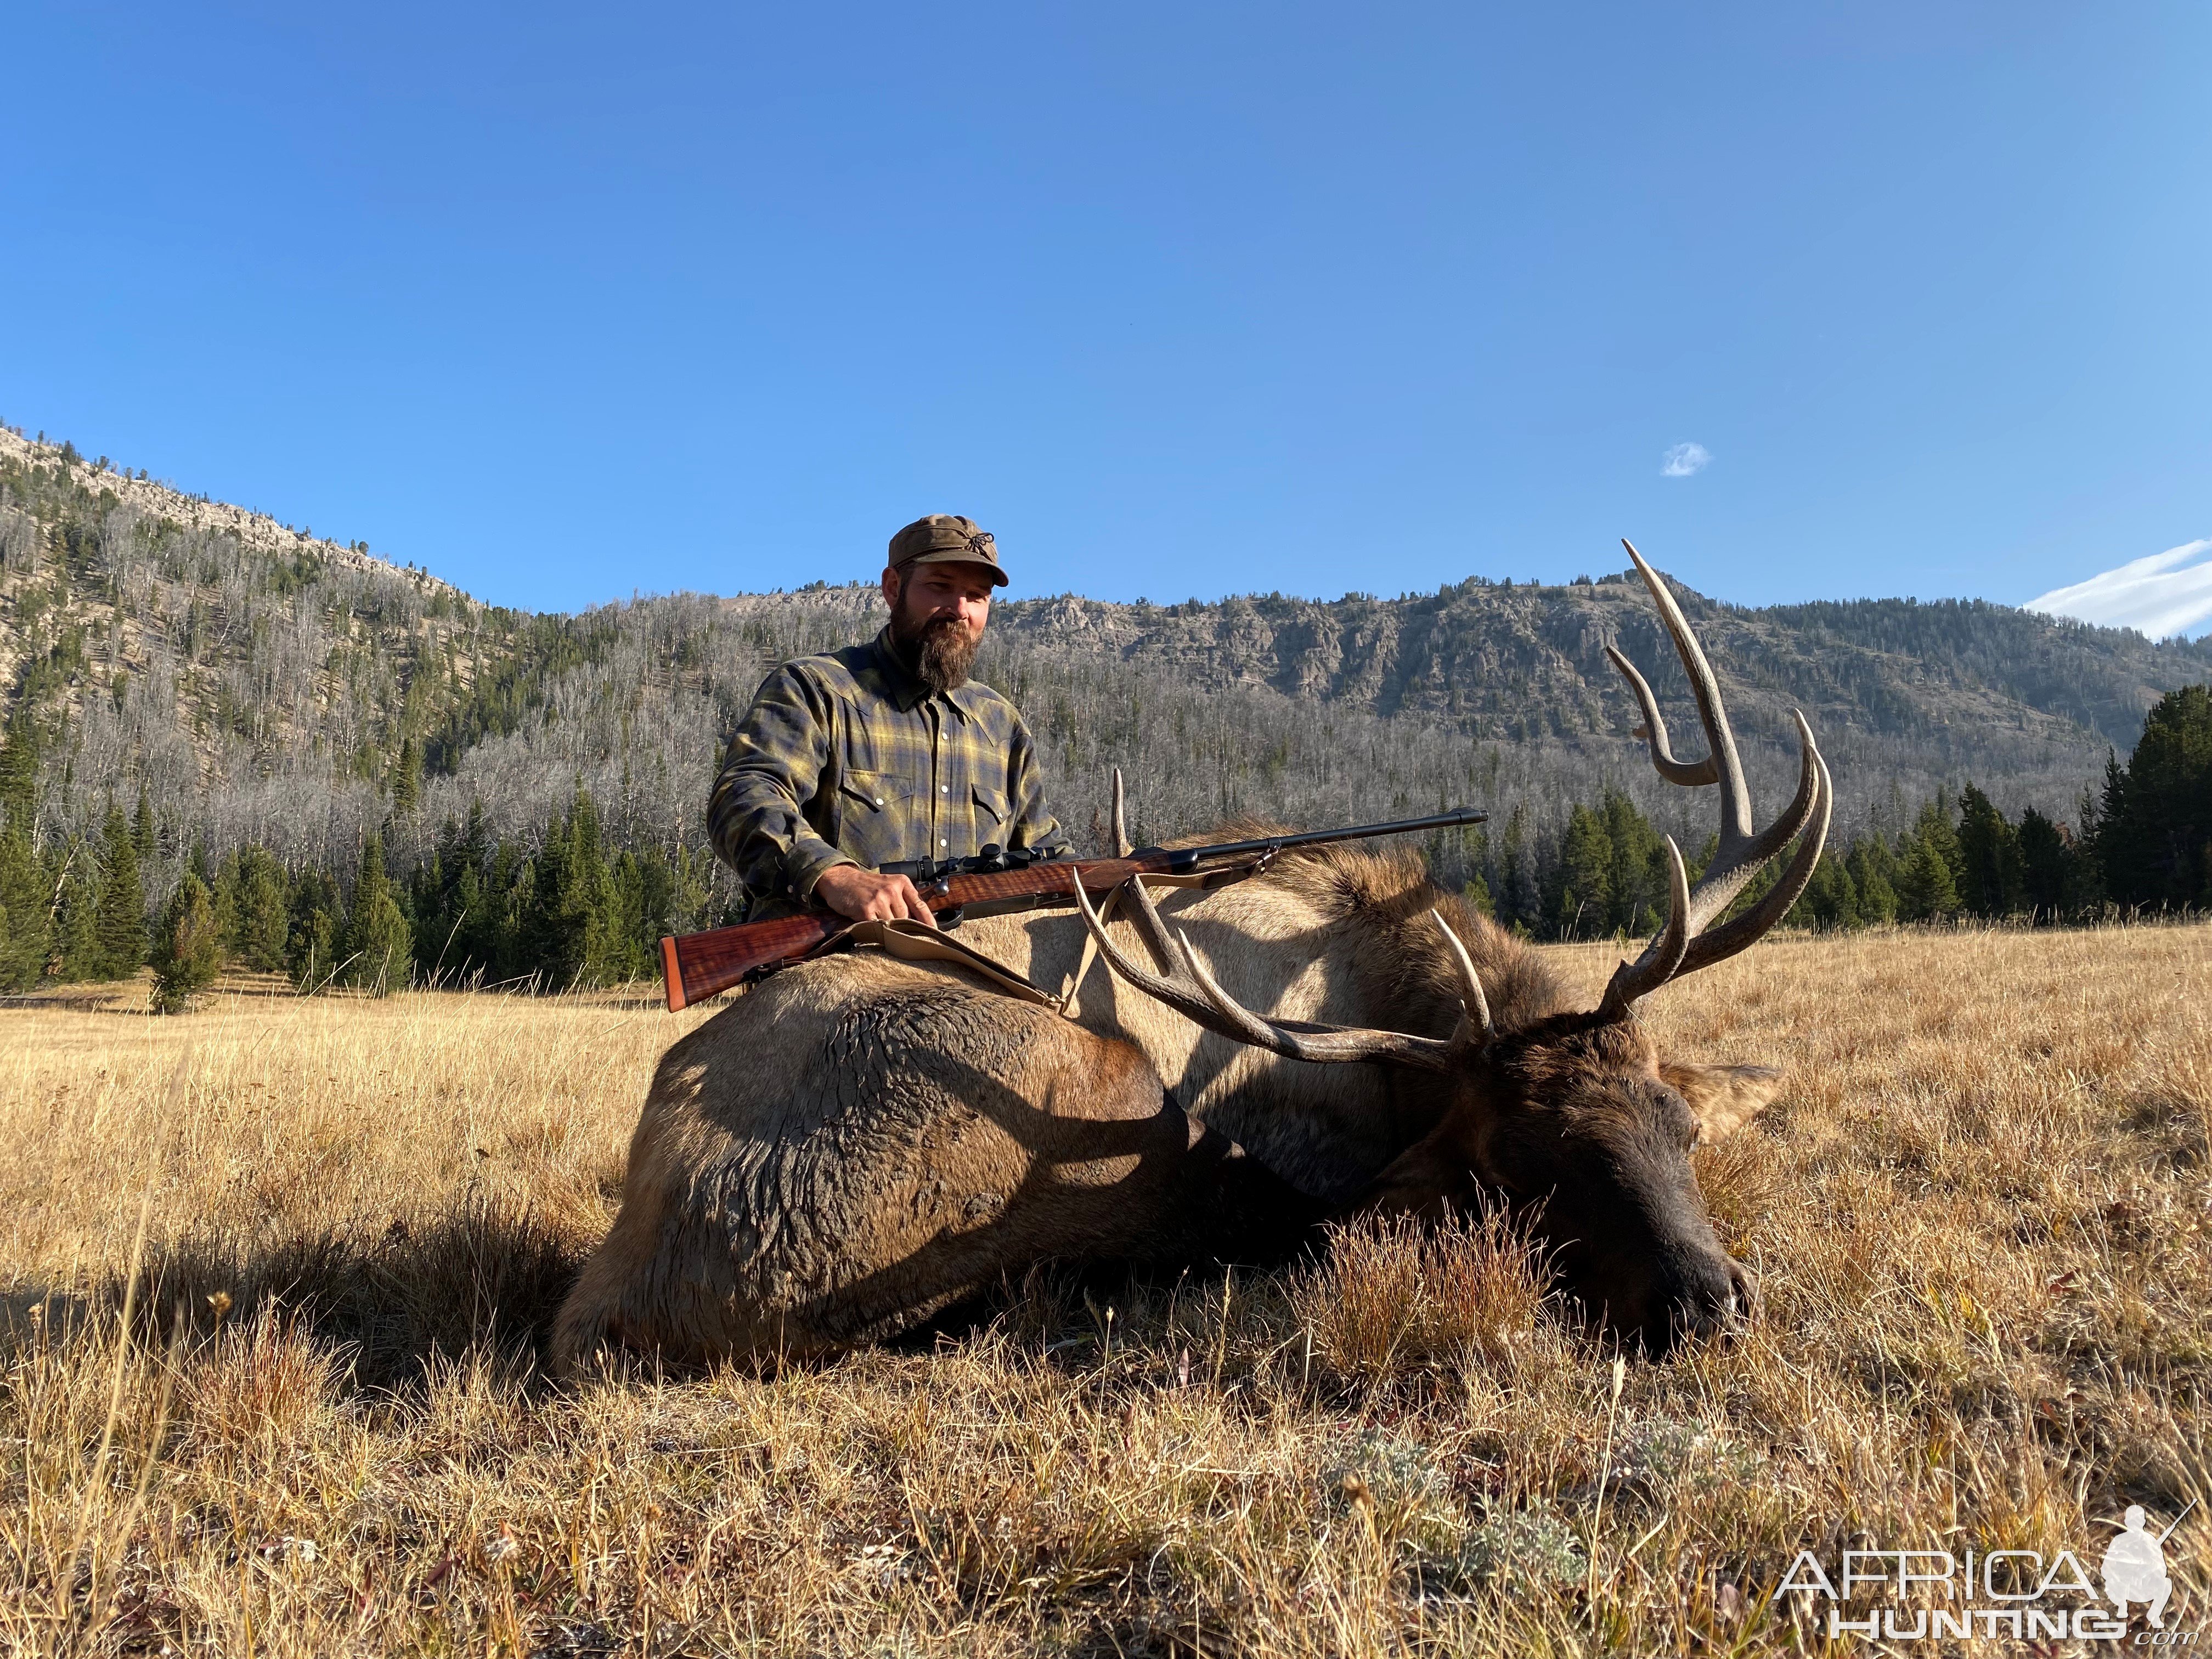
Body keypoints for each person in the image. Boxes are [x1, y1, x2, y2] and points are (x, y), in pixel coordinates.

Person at [708, 514, 1070, 923]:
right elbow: (743, 796)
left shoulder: (1002, 726)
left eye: (977, 595)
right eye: (940, 587)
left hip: (975, 974)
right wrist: (832, 874)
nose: (959, 610)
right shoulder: (816, 689)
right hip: (832, 968)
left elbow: (1046, 852)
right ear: (893, 587)